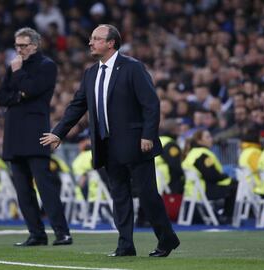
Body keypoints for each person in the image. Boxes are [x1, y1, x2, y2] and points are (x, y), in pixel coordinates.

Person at [40, 24, 179, 257]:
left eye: (96, 38)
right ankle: (125, 245)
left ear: (110, 43)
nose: (90, 42)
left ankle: (166, 239)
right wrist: (59, 132)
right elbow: (77, 106)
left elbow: (151, 104)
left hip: (136, 143)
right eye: (91, 38)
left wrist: (148, 135)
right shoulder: (91, 73)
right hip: (106, 144)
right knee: (120, 195)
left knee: (147, 194)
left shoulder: (132, 67)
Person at [0, 27, 71, 247]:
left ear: (35, 45)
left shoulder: (47, 66)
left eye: (23, 45)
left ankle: (62, 233)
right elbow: (0, 96)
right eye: (17, 45)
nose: (19, 49)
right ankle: (36, 233)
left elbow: (32, 88)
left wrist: (18, 78)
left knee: (45, 186)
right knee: (22, 189)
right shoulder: (15, 66)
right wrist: (20, 95)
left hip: (35, 133)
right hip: (13, 133)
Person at [182, 129, 237, 223]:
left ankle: (222, 216)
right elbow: (211, 175)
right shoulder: (203, 154)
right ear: (199, 141)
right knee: (235, 185)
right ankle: (227, 217)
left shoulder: (193, 153)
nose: (211, 139)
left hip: (192, 190)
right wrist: (225, 176)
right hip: (204, 190)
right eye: (207, 137)